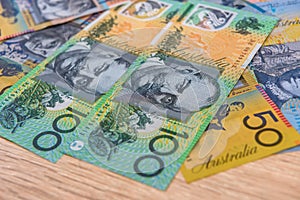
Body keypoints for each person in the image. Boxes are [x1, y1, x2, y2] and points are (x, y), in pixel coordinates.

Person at [119, 56, 220, 120]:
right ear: (186, 70)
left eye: (169, 100)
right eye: (179, 85)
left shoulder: (118, 96)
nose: (163, 90)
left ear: (160, 106)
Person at [40, 42, 136, 102]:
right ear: (108, 55)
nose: (80, 72)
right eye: (98, 69)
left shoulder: (41, 77)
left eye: (84, 82)